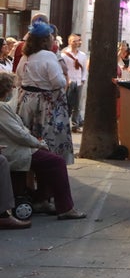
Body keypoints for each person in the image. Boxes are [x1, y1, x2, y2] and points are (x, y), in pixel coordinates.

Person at [0, 71, 85, 220]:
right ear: (6, 89)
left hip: (19, 146)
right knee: (56, 162)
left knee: (49, 158)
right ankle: (65, 207)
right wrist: (37, 144)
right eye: (12, 87)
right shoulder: (1, 108)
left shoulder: (4, 107)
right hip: (15, 149)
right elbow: (18, 133)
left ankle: (41, 199)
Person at [14, 21, 72, 164]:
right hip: (46, 105)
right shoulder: (48, 56)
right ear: (45, 40)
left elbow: (18, 79)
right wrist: (65, 81)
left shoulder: (25, 57)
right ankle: (49, 165)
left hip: (26, 103)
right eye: (51, 36)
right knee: (47, 137)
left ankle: (29, 170)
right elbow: (58, 82)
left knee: (28, 136)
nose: (53, 38)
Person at [60, 33, 88, 131]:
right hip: (69, 82)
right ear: (69, 42)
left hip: (79, 81)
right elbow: (63, 69)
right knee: (67, 102)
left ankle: (75, 123)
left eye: (77, 41)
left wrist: (83, 79)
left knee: (77, 104)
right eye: (74, 41)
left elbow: (84, 68)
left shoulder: (83, 55)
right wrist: (67, 80)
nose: (76, 43)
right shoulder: (64, 55)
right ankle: (65, 122)